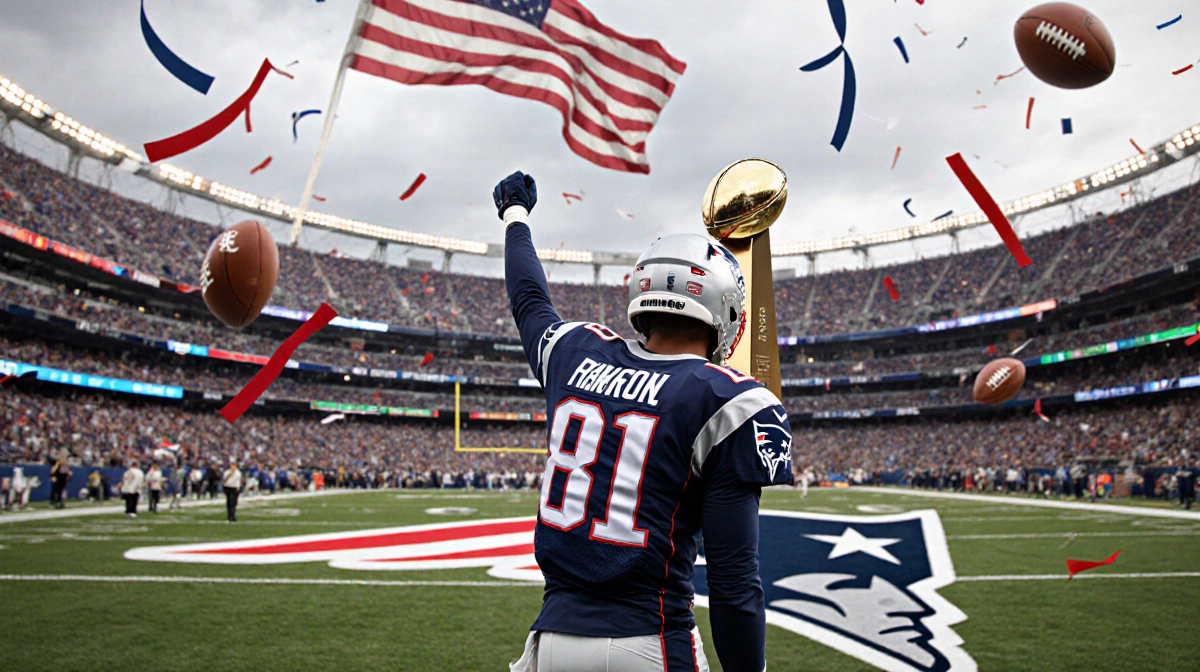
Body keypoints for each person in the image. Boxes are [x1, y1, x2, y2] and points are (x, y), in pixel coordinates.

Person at [497, 172, 793, 672]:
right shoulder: (728, 399)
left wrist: (516, 217)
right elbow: (734, 584)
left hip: (549, 642)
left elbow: (529, 299)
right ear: (726, 312)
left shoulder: (574, 352)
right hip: (649, 639)